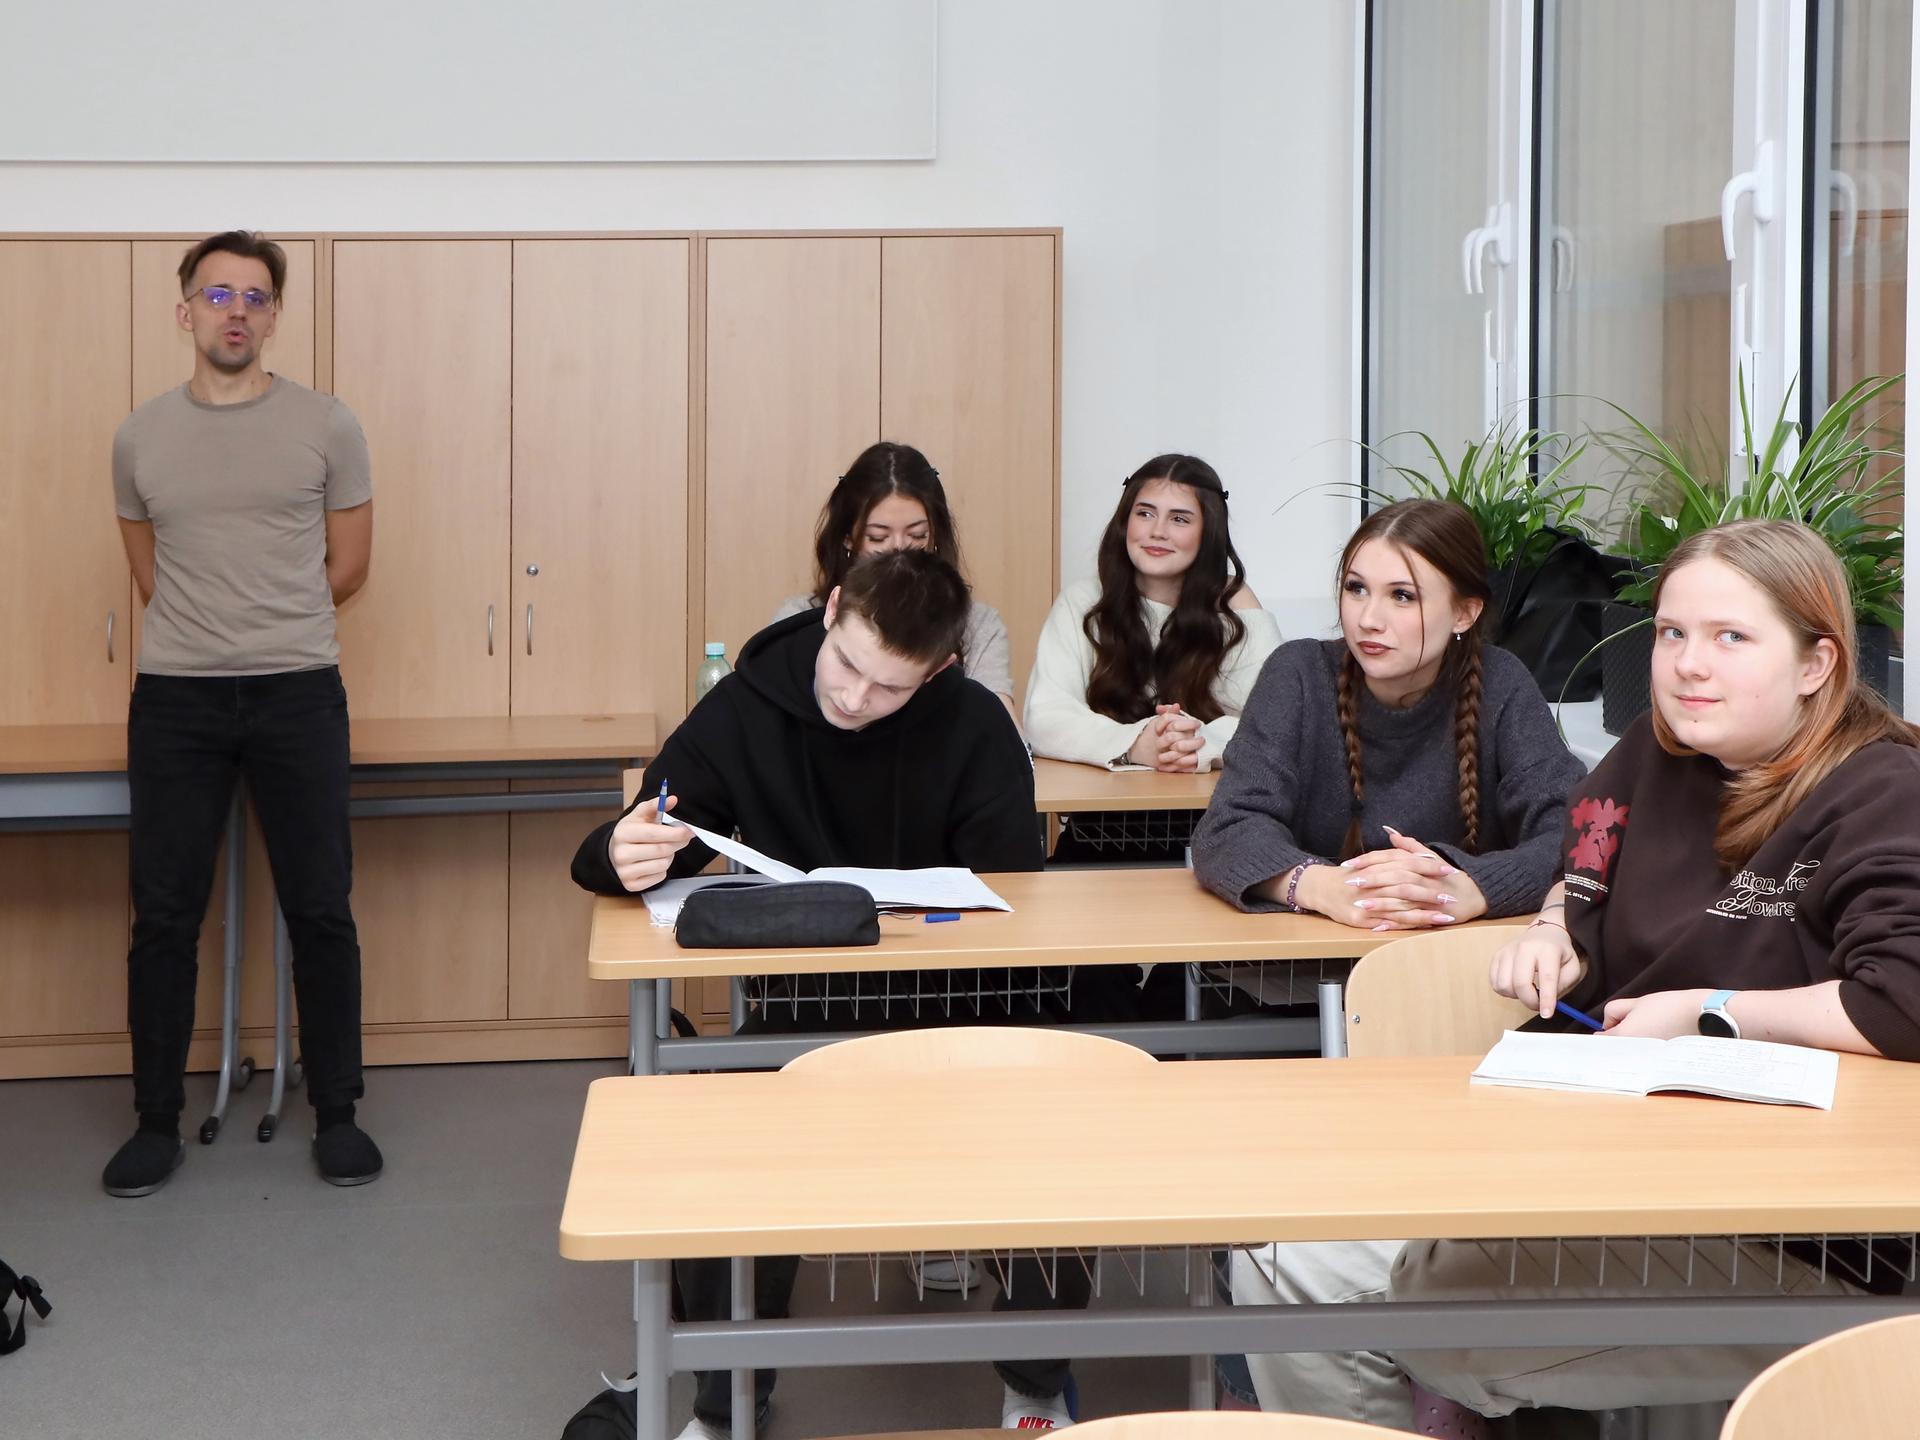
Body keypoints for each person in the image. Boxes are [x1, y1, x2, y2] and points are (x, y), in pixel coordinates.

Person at [1375, 517, 1920, 1430]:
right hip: (1607, 1172)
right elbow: (1580, 873)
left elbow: (1902, 1003)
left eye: (1730, 637)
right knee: (1288, 1268)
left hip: (1791, 1236)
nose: (1688, 665)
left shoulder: (1883, 790)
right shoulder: (1652, 753)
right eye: (1672, 633)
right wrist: (1554, 928)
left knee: (1426, 1322)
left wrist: (1711, 1011)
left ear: (1817, 663)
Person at [572, 549, 1084, 1435]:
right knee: (721, 1136)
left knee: (1055, 1118)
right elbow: (647, 829)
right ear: (832, 606)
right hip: (801, 1014)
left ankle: (1035, 1387)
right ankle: (726, 1403)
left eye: (890, 688)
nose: (853, 698)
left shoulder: (972, 725)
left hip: (961, 1009)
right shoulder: (749, 703)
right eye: (846, 663)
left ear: (938, 672)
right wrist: (623, 851)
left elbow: (1016, 904)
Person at [1194, 498, 1583, 1431]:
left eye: (1403, 596)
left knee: (1439, 1197)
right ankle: (1280, 1385)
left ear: (1465, 611)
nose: (1370, 617)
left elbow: (1574, 827)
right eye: (1357, 589)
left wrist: (1468, 888)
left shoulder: (1502, 686)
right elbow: (1227, 826)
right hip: (1294, 999)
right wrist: (1317, 886)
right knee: (1278, 1208)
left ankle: (1439, 1366)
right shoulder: (1299, 674)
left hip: (1457, 1008)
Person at [106, 230, 379, 1196]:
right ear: (184, 310)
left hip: (297, 691)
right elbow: (149, 568)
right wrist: (210, 628)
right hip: (175, 699)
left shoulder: (326, 425)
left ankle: (339, 1113)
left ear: (274, 317)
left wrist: (270, 620)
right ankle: (154, 1122)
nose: (237, 311)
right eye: (218, 294)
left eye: (255, 297)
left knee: (321, 906)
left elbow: (350, 565)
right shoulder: (139, 436)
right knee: (163, 915)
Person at [1025, 453, 1280, 862]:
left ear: (1208, 532)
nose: (1157, 531)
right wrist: (1137, 744)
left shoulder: (1233, 608)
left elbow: (1273, 725)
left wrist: (1195, 745)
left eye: (1179, 519)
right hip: (1100, 836)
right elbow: (1045, 717)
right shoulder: (1084, 602)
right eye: (1145, 513)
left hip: (1219, 836)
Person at [771, 440, 1015, 714]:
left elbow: (1000, 725)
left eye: (917, 535)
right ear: (847, 538)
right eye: (878, 537)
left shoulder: (979, 627)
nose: (899, 550)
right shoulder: (797, 619)